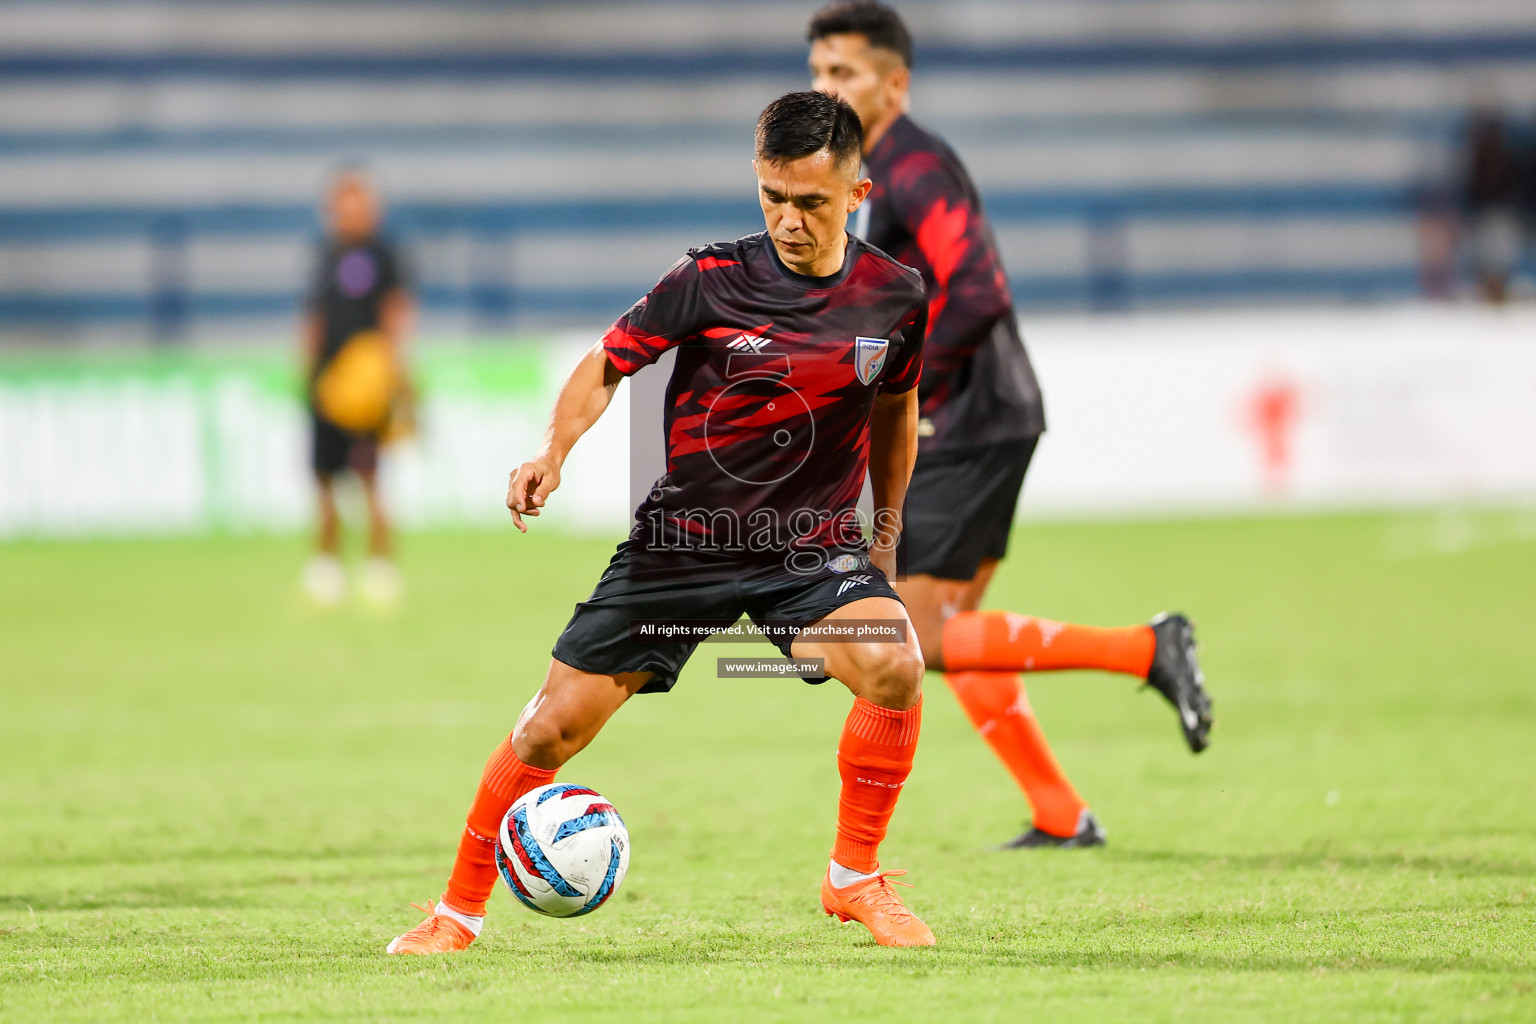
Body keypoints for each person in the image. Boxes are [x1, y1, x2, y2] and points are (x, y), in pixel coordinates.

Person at [388, 91, 937, 953]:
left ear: (857, 194)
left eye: (811, 202)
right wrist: (551, 451)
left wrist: (886, 536)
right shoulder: (709, 279)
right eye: (772, 196)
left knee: (896, 663)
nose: (788, 220)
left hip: (808, 551)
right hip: (682, 548)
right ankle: (454, 913)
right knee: (549, 728)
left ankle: (854, 880)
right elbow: (606, 365)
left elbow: (896, 413)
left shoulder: (895, 298)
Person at [807, 2, 1213, 848]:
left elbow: (980, 291)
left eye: (842, 73)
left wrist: (906, 391)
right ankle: (1062, 814)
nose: (826, 88)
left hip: (968, 420)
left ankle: (1146, 649)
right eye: (817, 72)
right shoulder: (885, 170)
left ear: (894, 81)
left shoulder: (915, 169)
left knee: (916, 633)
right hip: (985, 415)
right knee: (950, 628)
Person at [299, 168, 413, 606]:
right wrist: (307, 372)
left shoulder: (384, 255)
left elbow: (396, 311)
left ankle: (380, 565)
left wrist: (395, 371)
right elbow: (314, 316)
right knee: (324, 479)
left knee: (370, 477)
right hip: (327, 385)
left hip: (367, 387)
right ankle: (326, 566)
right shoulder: (324, 254)